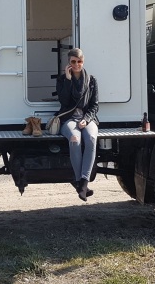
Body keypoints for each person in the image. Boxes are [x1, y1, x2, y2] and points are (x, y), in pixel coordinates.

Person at [56, 48, 99, 201]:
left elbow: (94, 105)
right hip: (69, 118)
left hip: (87, 119)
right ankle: (80, 183)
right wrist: (68, 80)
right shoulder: (62, 80)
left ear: (83, 61)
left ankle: (83, 183)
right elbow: (64, 101)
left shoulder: (91, 80)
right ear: (69, 62)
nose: (76, 64)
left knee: (91, 139)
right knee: (75, 139)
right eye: (73, 62)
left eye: (79, 61)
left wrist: (86, 119)